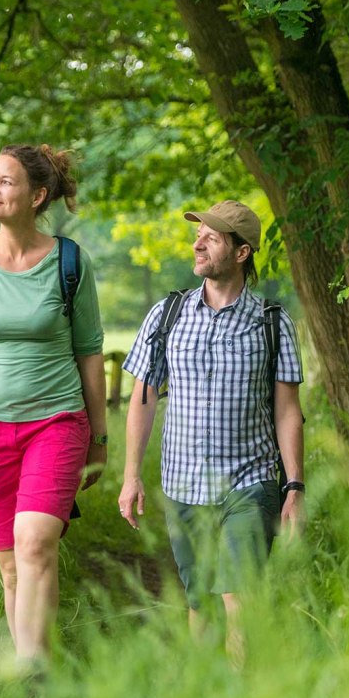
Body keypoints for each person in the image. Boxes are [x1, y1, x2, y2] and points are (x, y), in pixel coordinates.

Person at [0, 144, 107, 667]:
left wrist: (99, 438)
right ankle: (34, 672)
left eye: (6, 181)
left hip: (56, 422)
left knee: (34, 543)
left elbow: (89, 353)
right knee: (11, 566)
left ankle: (34, 676)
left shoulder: (70, 262)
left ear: (38, 195)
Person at [116, 199, 304, 666]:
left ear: (241, 253)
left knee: (238, 597)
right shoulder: (168, 315)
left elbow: (287, 411)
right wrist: (131, 475)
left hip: (250, 482)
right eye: (198, 234)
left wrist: (294, 485)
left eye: (211, 238)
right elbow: (144, 398)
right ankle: (203, 696)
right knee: (199, 598)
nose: (197, 243)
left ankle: (240, 697)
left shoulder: (271, 322)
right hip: (182, 484)